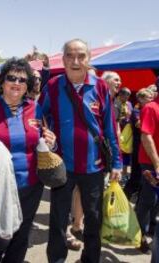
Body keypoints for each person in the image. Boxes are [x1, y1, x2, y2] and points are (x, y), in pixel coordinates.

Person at [39, 39, 122, 263]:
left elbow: (109, 128)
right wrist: (45, 135)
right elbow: (38, 117)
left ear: (89, 59)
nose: (75, 61)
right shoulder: (54, 86)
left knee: (93, 220)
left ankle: (90, 259)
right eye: (70, 56)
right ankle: (56, 259)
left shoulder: (100, 86)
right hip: (62, 166)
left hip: (94, 167)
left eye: (81, 56)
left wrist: (117, 163)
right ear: (63, 58)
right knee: (57, 221)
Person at [0, 57, 56, 262]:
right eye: (11, 78)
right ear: (2, 82)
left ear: (27, 85)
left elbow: (44, 138)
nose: (16, 83)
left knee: (22, 232)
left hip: (31, 183)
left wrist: (51, 142)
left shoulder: (35, 108)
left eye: (22, 80)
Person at [136, 91, 159, 262]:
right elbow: (146, 136)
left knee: (154, 202)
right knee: (148, 200)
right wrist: (157, 164)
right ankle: (140, 236)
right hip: (151, 162)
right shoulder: (151, 108)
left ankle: (151, 230)